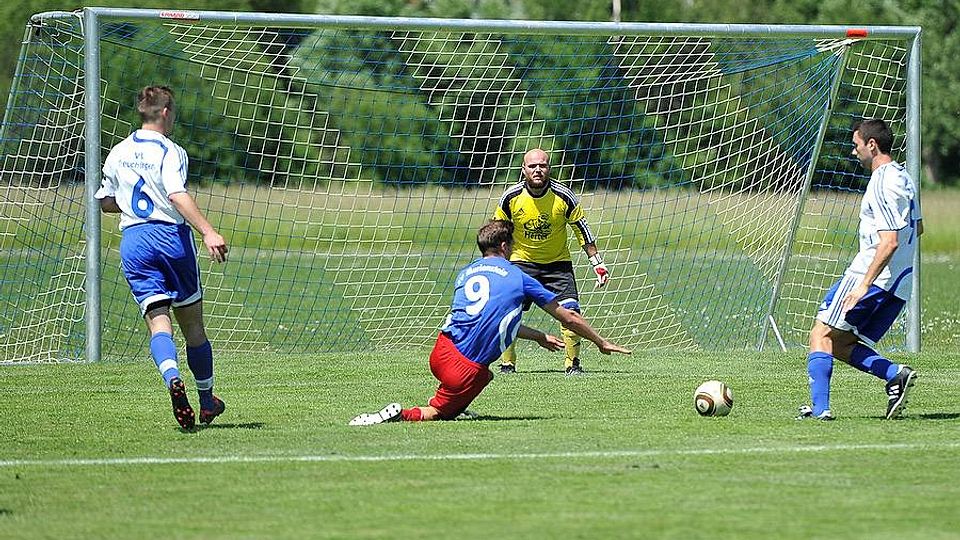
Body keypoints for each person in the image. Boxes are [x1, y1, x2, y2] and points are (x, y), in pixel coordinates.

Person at [349, 220, 630, 425]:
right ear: (505, 246)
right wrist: (600, 342)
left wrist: (539, 337)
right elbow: (568, 316)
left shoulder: (466, 272)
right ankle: (397, 415)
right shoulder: (518, 277)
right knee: (437, 412)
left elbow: (491, 321)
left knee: (484, 376)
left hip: (441, 351)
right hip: (464, 370)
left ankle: (456, 402)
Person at [96, 86, 229, 429]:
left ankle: (172, 377)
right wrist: (208, 231)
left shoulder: (118, 151)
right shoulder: (171, 151)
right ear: (166, 112)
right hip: (170, 239)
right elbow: (176, 195)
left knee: (159, 323)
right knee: (193, 327)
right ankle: (206, 401)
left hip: (135, 242)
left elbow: (106, 202)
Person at [799, 118, 922, 421]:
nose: (854, 152)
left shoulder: (881, 181)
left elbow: (889, 241)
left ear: (872, 144)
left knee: (821, 334)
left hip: (871, 276)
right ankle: (895, 375)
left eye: (856, 145)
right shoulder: (904, 177)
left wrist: (864, 285)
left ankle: (820, 410)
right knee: (841, 343)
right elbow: (918, 228)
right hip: (900, 283)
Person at [491, 148, 609, 375]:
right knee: (507, 311)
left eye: (542, 165)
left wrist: (598, 263)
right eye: (532, 166)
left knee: (570, 311)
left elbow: (582, 230)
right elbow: (496, 232)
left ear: (549, 168)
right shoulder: (511, 197)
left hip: (558, 265)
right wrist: (495, 263)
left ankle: (572, 365)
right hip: (521, 263)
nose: (538, 170)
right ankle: (507, 364)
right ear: (523, 169)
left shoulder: (564, 196)